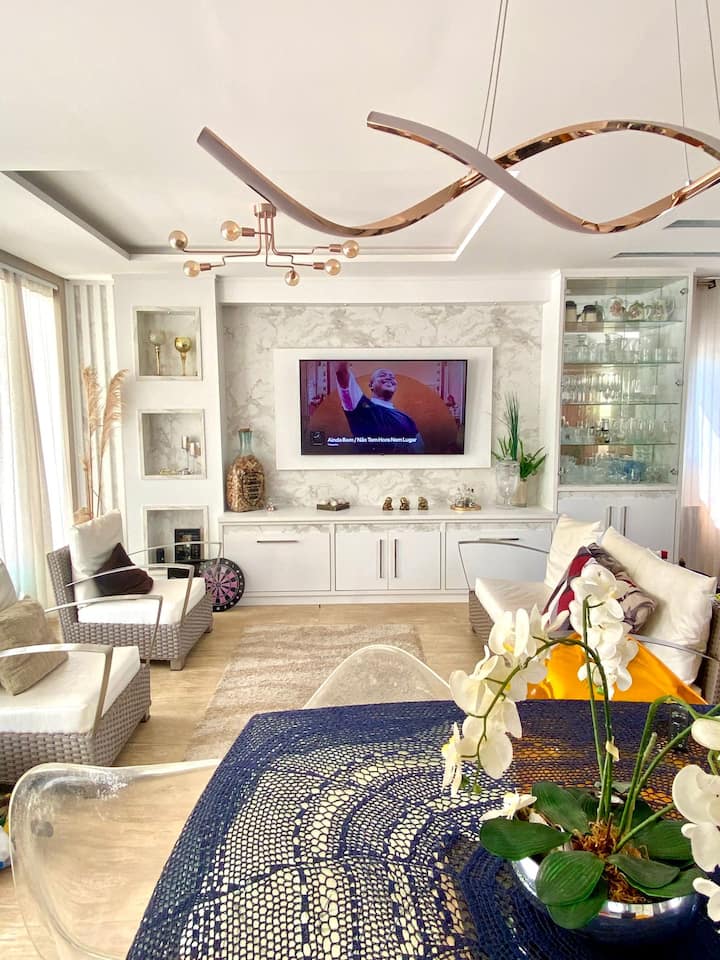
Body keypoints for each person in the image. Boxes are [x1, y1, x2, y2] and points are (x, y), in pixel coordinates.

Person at [333, 361, 424, 453]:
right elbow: (341, 372)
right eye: (382, 375)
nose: (389, 378)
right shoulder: (360, 406)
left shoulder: (407, 419)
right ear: (371, 385)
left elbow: (419, 451)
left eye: (392, 377)